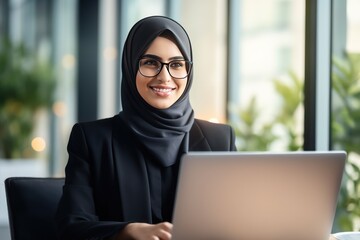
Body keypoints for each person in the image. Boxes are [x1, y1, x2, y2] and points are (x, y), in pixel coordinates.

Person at [55, 15, 236, 240]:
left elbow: (235, 222)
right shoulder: (92, 139)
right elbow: (70, 227)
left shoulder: (219, 139)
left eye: (177, 64)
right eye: (150, 62)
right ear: (131, 67)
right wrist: (126, 231)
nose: (164, 76)